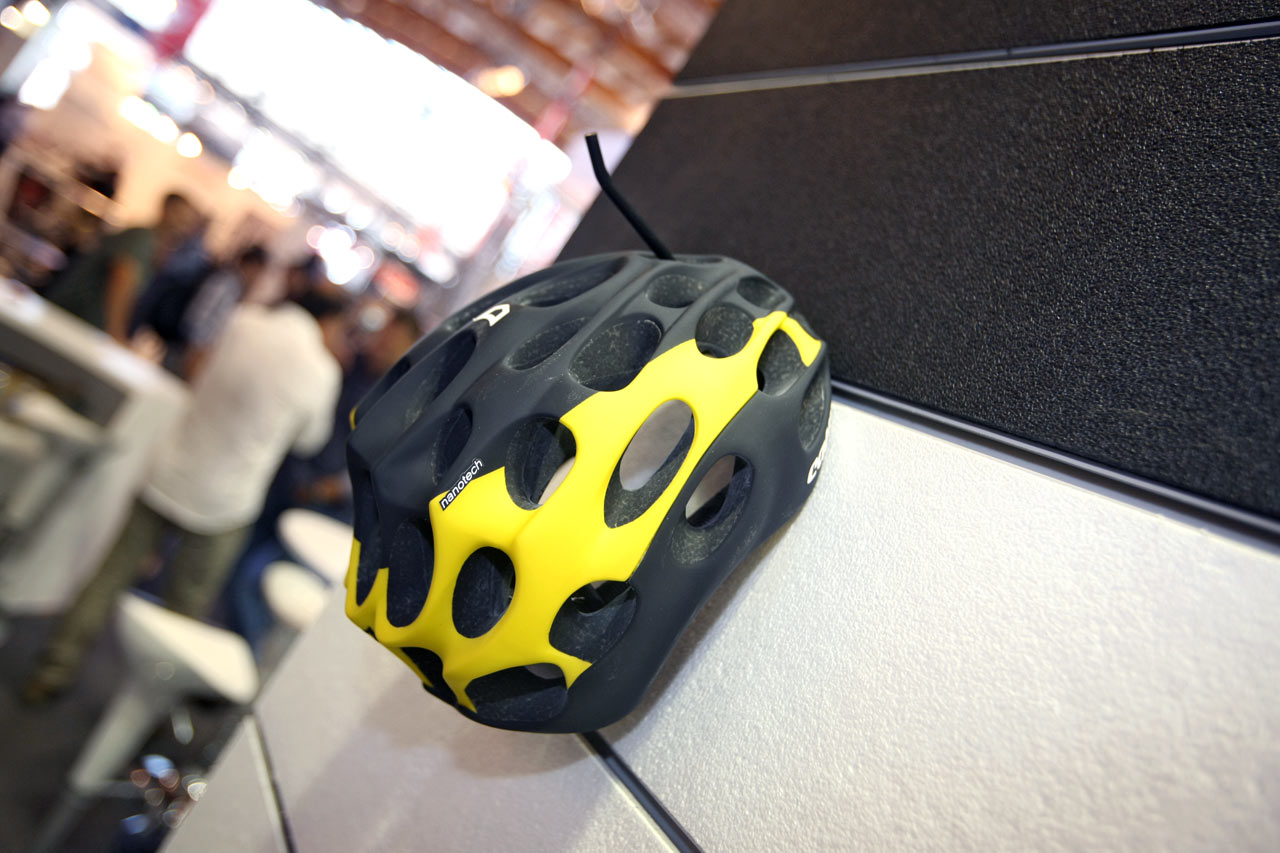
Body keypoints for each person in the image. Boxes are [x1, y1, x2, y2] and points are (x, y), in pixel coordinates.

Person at [21, 289, 349, 703]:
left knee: (110, 574)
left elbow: (199, 365)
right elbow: (309, 440)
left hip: (173, 468)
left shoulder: (244, 321)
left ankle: (51, 670)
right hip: (228, 499)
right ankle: (145, 706)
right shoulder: (320, 371)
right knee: (183, 615)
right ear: (329, 322)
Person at [221, 305, 422, 654]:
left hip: (330, 504)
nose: (383, 342)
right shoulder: (353, 367)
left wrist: (330, 488)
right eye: (384, 333)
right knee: (243, 557)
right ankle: (233, 643)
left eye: (394, 339)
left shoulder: (403, 399)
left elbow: (383, 459)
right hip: (294, 477)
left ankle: (248, 650)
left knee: (259, 575)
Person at [42, 192, 202, 343]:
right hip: (70, 320)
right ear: (166, 210)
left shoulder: (157, 250)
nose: (182, 225)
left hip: (81, 327)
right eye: (180, 216)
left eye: (187, 221)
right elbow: (121, 277)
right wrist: (117, 334)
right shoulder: (142, 238)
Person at [180, 244, 269, 378]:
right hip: (189, 351)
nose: (258, 278)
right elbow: (200, 317)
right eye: (258, 271)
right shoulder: (226, 284)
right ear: (250, 265)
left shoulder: (238, 289)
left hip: (199, 354)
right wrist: (195, 353)